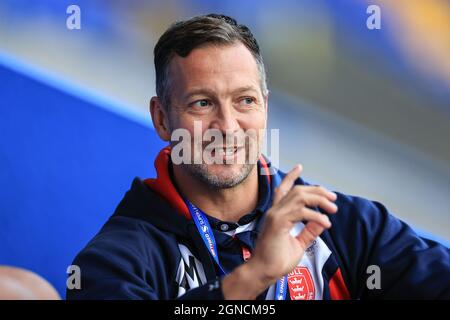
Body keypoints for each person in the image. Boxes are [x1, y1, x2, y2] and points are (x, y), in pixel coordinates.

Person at [67, 14, 450, 300]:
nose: (228, 126)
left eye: (244, 101)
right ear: (162, 118)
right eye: (202, 103)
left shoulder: (347, 227)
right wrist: (253, 277)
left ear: (265, 107)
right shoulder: (114, 262)